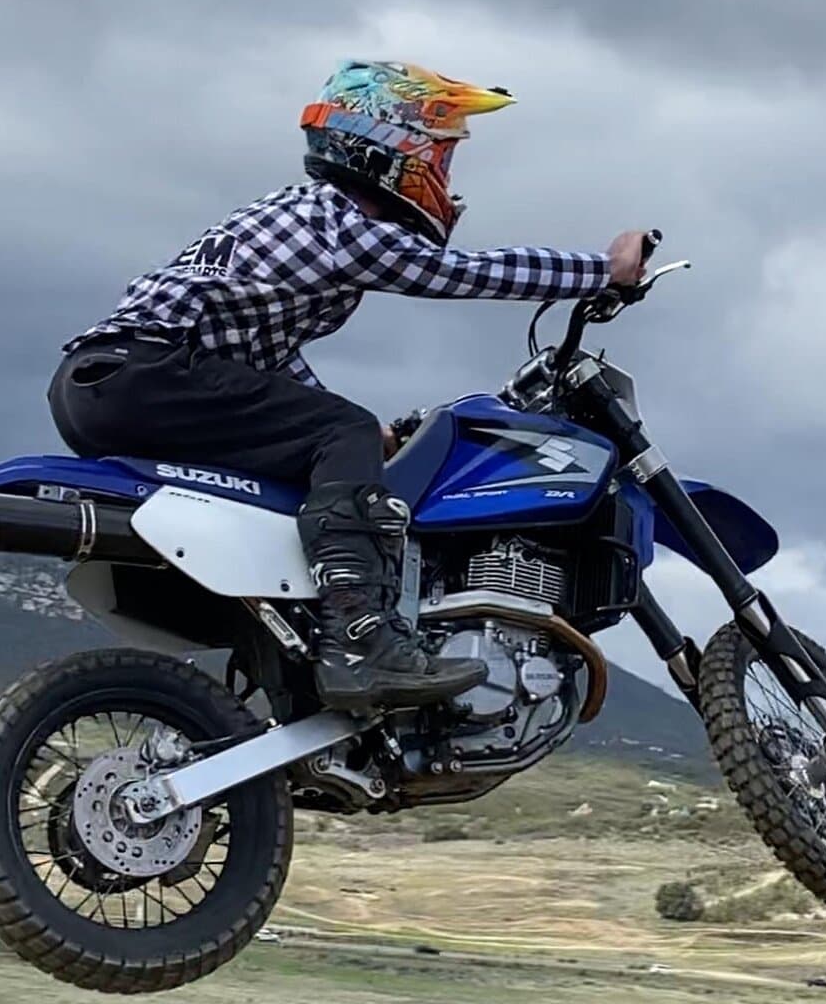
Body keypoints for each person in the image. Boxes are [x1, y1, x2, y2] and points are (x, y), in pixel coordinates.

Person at [49, 59, 648, 713]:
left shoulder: (302, 218)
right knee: (343, 431)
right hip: (149, 375)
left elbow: (263, 362)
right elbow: (459, 274)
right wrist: (601, 270)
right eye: (441, 159)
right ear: (393, 148)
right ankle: (359, 643)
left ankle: (297, 648)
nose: (446, 181)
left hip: (106, 383)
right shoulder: (339, 222)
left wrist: (376, 436)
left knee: (342, 435)